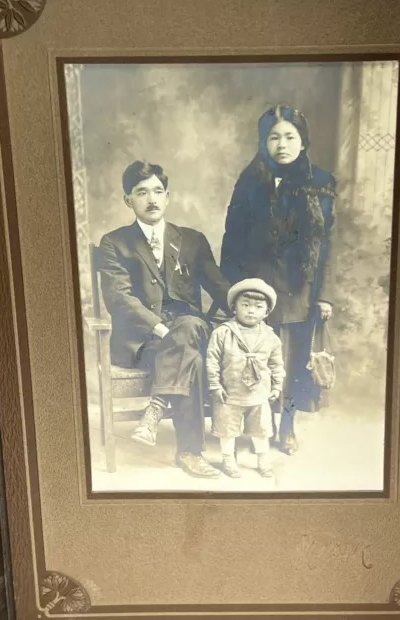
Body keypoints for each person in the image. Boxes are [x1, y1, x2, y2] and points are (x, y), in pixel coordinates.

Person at [99, 160, 231, 479]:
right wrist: (158, 326)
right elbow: (119, 297)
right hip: (143, 342)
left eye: (158, 191)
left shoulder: (192, 240)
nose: (152, 199)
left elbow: (219, 285)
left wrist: (249, 305)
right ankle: (189, 453)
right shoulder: (114, 243)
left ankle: (154, 411)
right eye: (141, 192)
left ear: (168, 196)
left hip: (188, 327)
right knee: (193, 358)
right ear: (128, 200)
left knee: (188, 326)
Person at [219, 105, 336, 456]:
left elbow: (327, 241)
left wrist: (324, 295)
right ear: (263, 141)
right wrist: (232, 288)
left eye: (289, 136)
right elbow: (232, 237)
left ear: (302, 141)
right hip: (257, 287)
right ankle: (255, 427)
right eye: (273, 137)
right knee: (256, 357)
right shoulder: (249, 180)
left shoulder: (321, 182)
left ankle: (286, 428)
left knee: (292, 362)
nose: (281, 144)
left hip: (300, 288)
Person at [206, 279, 285, 478]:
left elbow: (276, 365)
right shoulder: (223, 333)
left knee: (261, 430)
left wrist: (276, 387)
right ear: (234, 307)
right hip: (229, 393)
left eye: (258, 307)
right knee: (227, 429)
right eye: (245, 305)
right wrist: (215, 386)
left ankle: (263, 460)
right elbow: (212, 361)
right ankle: (228, 460)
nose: (251, 311)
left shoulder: (271, 337)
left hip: (259, 394)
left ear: (267, 312)